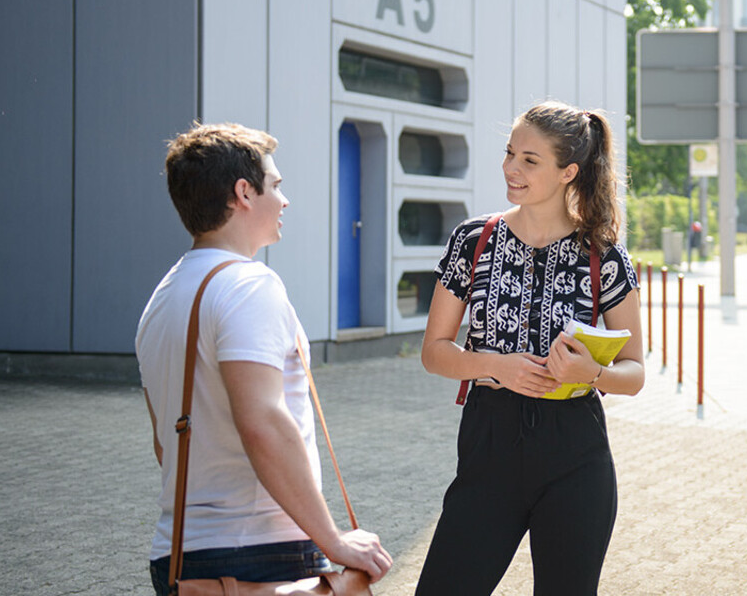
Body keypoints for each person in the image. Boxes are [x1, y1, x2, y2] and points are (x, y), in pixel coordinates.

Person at [136, 123, 392, 595]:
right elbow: (263, 423)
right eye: (275, 185)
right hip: (257, 551)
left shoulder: (163, 298)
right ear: (242, 193)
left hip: (178, 555)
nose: (285, 199)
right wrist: (332, 541)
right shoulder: (250, 285)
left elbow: (163, 441)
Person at [416, 101, 645, 596]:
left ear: (569, 172)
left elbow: (635, 373)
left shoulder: (603, 254)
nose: (510, 168)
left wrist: (592, 374)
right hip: (488, 443)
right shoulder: (472, 240)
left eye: (529, 160)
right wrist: (496, 366)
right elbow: (435, 351)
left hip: (576, 454)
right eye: (509, 153)